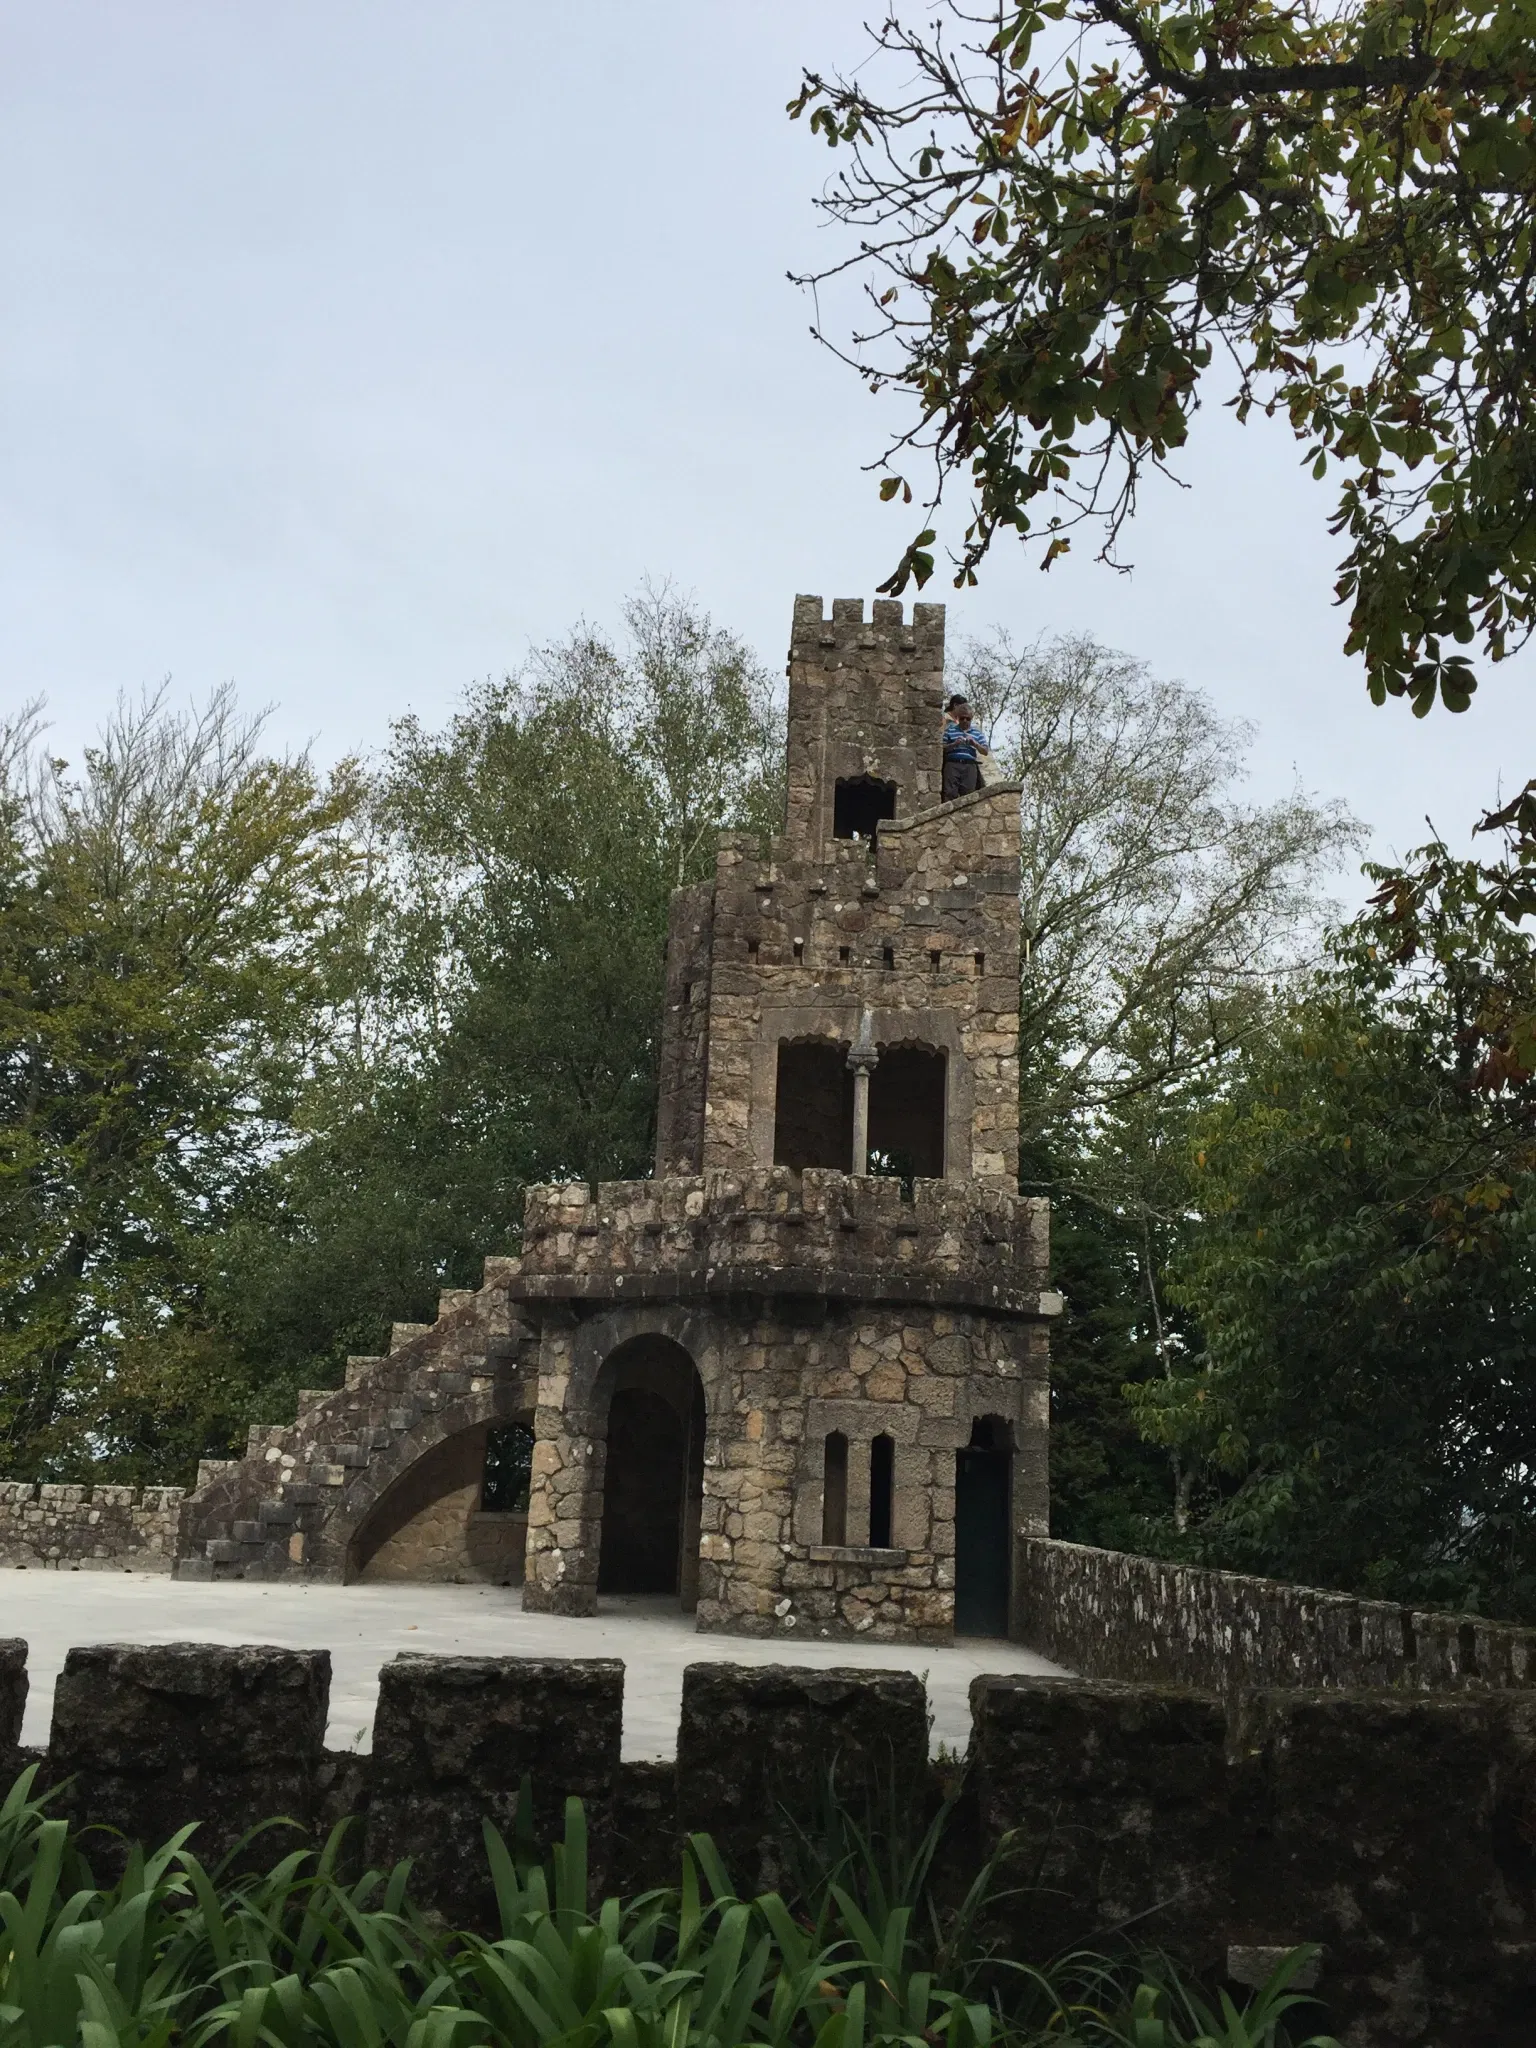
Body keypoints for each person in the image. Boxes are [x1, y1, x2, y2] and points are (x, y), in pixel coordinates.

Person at [942, 695, 991, 801]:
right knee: (949, 794)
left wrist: (975, 744)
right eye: (962, 718)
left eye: (967, 719)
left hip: (969, 765)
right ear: (958, 718)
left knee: (968, 796)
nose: (965, 721)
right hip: (952, 764)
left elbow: (985, 751)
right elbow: (942, 748)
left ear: (971, 719)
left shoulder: (977, 734)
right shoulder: (949, 730)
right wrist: (954, 744)